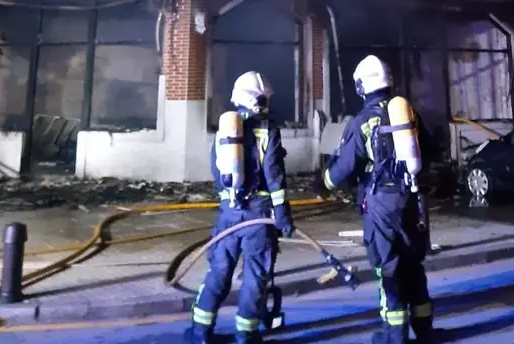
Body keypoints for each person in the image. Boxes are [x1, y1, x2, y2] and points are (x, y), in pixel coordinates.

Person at [318, 55, 433, 344]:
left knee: (389, 268)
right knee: (413, 266)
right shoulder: (408, 113)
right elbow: (430, 150)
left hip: (382, 203)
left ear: (363, 86)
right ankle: (425, 332)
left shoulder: (363, 121)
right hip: (414, 198)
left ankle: (394, 336)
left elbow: (344, 167)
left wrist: (325, 182)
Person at [184, 71, 295, 344]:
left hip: (229, 215)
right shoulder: (268, 130)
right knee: (256, 276)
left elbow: (216, 168)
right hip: (258, 216)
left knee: (219, 272)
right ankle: (245, 334)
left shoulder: (225, 129)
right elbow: (274, 175)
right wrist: (282, 213)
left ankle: (200, 332)